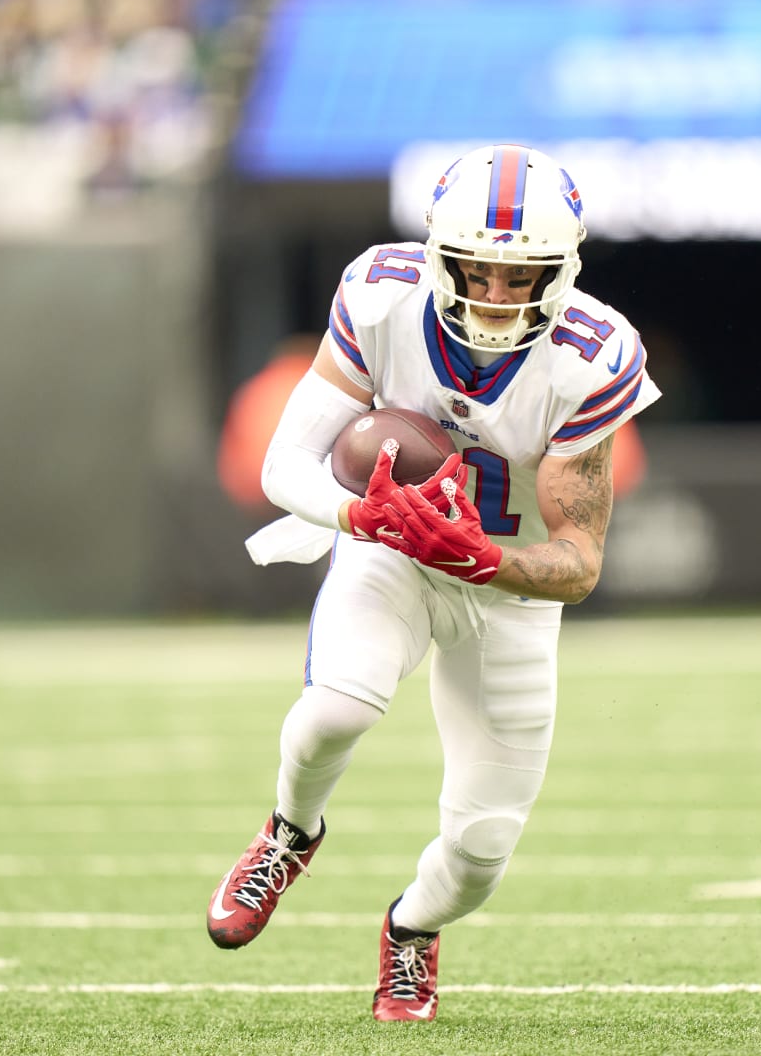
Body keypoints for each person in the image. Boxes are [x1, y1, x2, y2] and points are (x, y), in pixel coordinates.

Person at [215, 144, 658, 1021]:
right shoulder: (381, 293)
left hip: (509, 591)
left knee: (483, 848)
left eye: (520, 274)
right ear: (436, 254)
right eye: (475, 270)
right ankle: (289, 832)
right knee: (336, 708)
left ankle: (411, 931)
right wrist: (365, 521)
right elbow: (286, 463)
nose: (495, 294)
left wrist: (481, 559)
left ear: (562, 269)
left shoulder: (592, 355)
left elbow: (577, 563)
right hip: (394, 551)